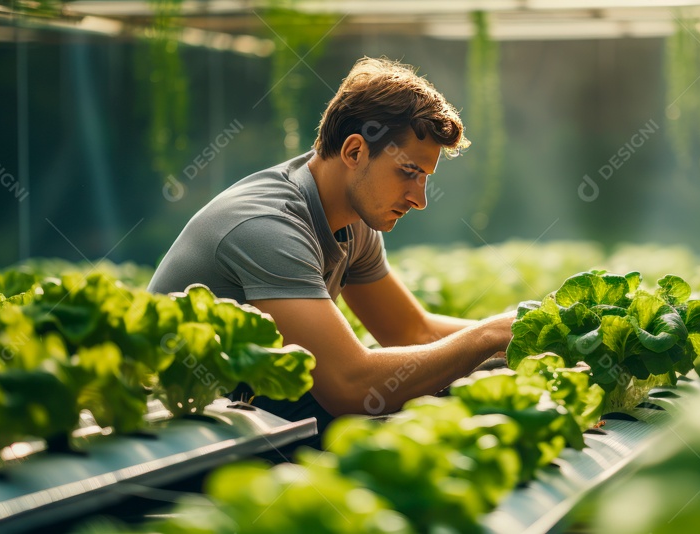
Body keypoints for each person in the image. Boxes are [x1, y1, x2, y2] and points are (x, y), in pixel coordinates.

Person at [147, 57, 513, 430]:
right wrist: (489, 334)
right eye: (408, 172)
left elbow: (412, 332)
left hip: (243, 413)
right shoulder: (268, 227)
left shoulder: (355, 220)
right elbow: (349, 386)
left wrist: (527, 337)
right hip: (169, 431)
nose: (420, 199)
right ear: (355, 152)